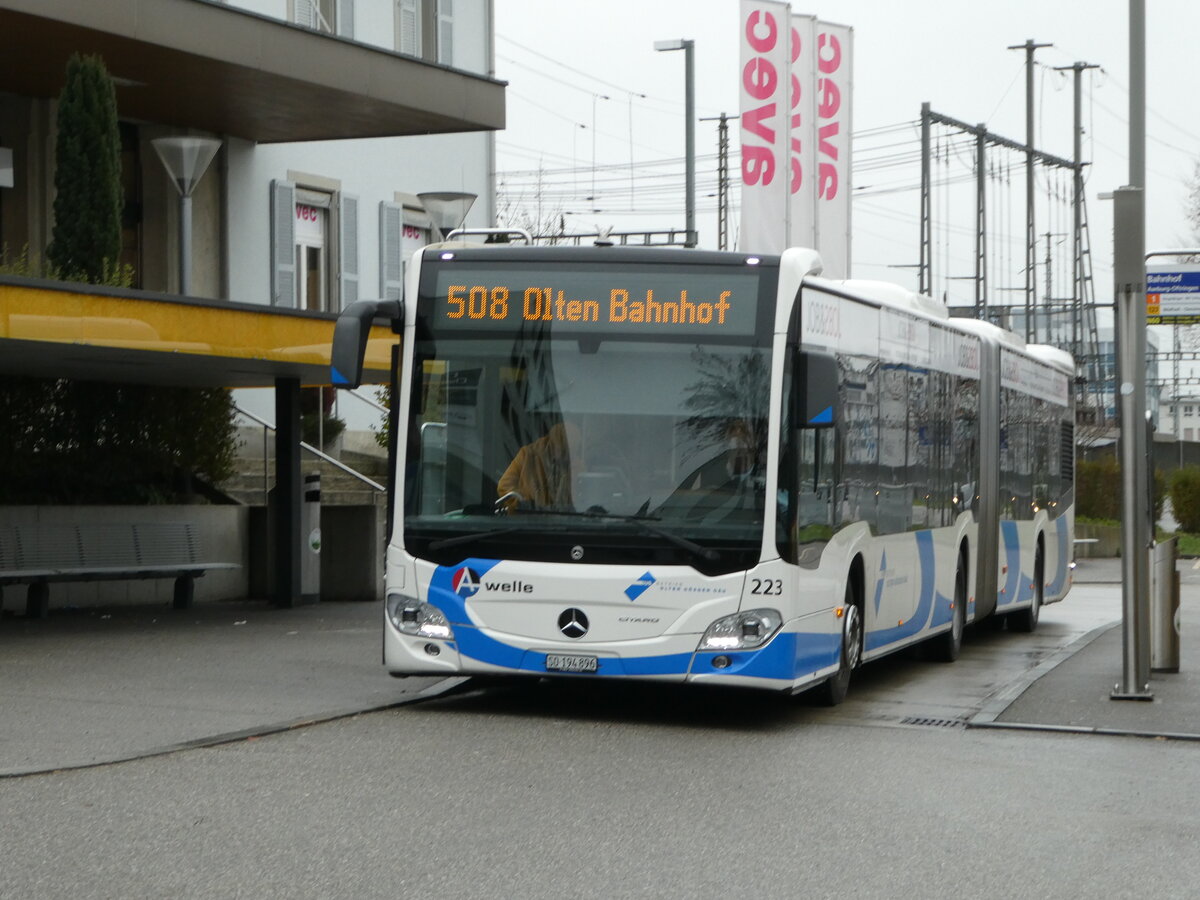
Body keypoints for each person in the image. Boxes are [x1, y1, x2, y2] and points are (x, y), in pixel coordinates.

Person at [497, 421, 583, 510]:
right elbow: (504, 486)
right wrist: (521, 503)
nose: (569, 457)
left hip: (565, 519)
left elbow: (582, 498)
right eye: (565, 450)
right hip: (528, 519)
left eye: (573, 452)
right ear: (552, 443)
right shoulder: (527, 455)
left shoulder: (577, 465)